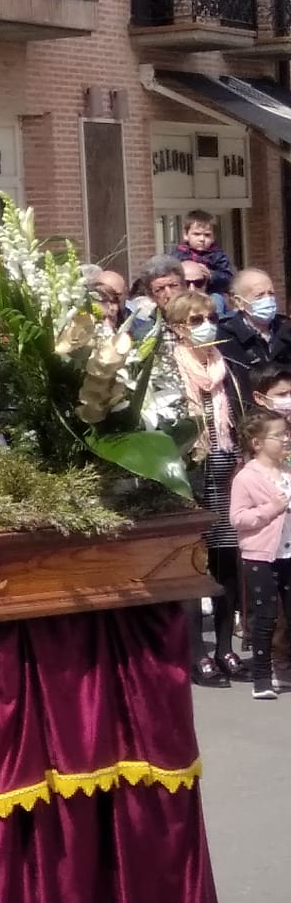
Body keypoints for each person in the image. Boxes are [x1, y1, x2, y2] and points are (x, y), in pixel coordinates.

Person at [166, 289, 251, 687]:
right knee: (193, 566)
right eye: (196, 321)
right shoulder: (169, 368)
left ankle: (224, 649)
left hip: (228, 476)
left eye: (209, 318)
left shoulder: (227, 366)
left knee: (226, 566)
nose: (206, 327)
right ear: (178, 329)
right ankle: (196, 654)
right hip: (191, 479)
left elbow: (243, 418)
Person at [229, 412, 291, 701]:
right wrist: (271, 509)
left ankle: (283, 670)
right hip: (261, 555)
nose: (285, 439)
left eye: (286, 434)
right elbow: (238, 518)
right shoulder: (247, 477)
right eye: (278, 436)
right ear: (257, 442)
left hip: (288, 551)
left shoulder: (288, 470)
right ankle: (261, 678)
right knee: (265, 615)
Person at [220, 269, 291, 372]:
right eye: (259, 295)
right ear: (239, 302)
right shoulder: (225, 337)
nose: (268, 299)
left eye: (271, 293)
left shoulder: (286, 329)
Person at [175, 211, 235, 299]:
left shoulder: (217, 255)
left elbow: (228, 278)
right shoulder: (178, 254)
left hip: (210, 294)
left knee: (217, 300)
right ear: (186, 235)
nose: (202, 239)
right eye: (197, 234)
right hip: (185, 294)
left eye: (207, 235)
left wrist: (211, 275)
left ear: (213, 237)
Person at [124, 254, 186, 339]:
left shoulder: (204, 325)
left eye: (173, 286)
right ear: (150, 296)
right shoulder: (145, 335)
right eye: (160, 289)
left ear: (184, 286)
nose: (169, 294)